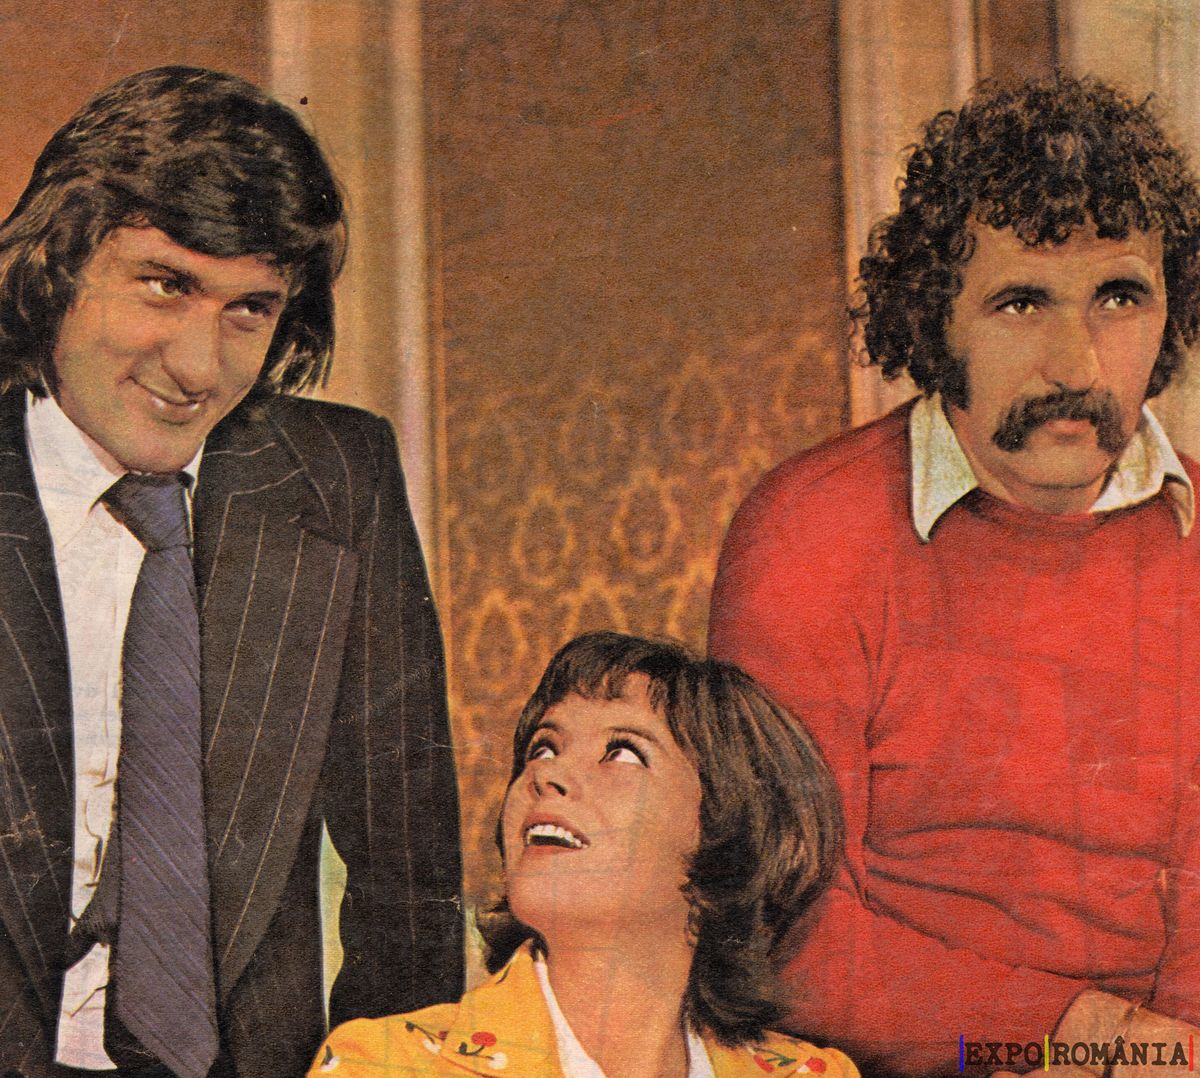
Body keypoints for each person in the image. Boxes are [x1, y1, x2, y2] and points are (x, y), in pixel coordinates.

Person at [709, 74, 1200, 1077]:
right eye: (1022, 302)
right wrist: (1089, 1041)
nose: (1076, 364)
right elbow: (782, 928)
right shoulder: (810, 531)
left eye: (1118, 297)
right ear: (936, 317)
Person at [0, 67, 463, 1077]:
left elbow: (409, 885)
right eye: (164, 284)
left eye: (250, 308)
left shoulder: (339, 477)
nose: (199, 367)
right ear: (58, 261)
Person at [308, 631, 858, 1078]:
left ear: (729, 831)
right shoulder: (384, 1064)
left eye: (622, 752)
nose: (547, 774)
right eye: (543, 747)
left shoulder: (812, 1074)